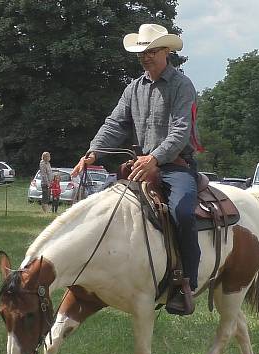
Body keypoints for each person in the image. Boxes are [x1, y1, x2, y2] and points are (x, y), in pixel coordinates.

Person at [71, 23, 203, 315]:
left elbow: (180, 130)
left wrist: (155, 158)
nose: (146, 57)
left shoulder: (182, 86)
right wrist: (94, 153)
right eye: (142, 52)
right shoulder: (133, 88)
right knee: (101, 205)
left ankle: (187, 283)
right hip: (141, 164)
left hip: (174, 166)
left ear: (167, 52)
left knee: (182, 211)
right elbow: (115, 124)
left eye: (153, 51)